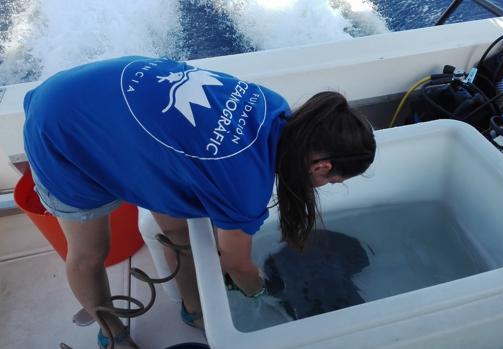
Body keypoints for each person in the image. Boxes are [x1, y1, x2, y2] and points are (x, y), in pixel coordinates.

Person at [22, 56, 376, 349]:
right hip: (59, 126)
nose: (322, 186)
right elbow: (236, 264)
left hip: (109, 102)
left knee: (177, 227)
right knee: (91, 251)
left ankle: (193, 307)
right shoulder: (246, 185)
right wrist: (261, 293)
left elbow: (195, 151)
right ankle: (112, 333)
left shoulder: (276, 108)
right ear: (322, 165)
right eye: (330, 180)